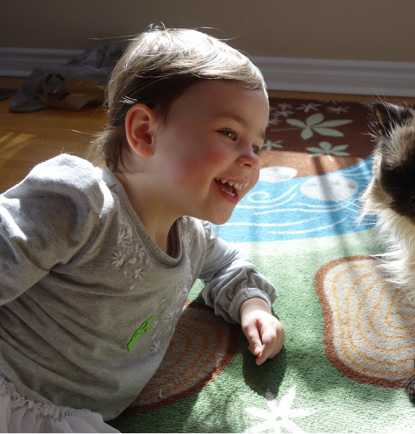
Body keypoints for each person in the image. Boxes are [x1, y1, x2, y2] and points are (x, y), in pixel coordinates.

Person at [0, 26, 284, 432]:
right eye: (229, 134)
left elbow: (230, 264)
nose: (252, 160)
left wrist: (252, 304)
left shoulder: (191, 235)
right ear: (144, 132)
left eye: (256, 145)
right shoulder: (81, 201)